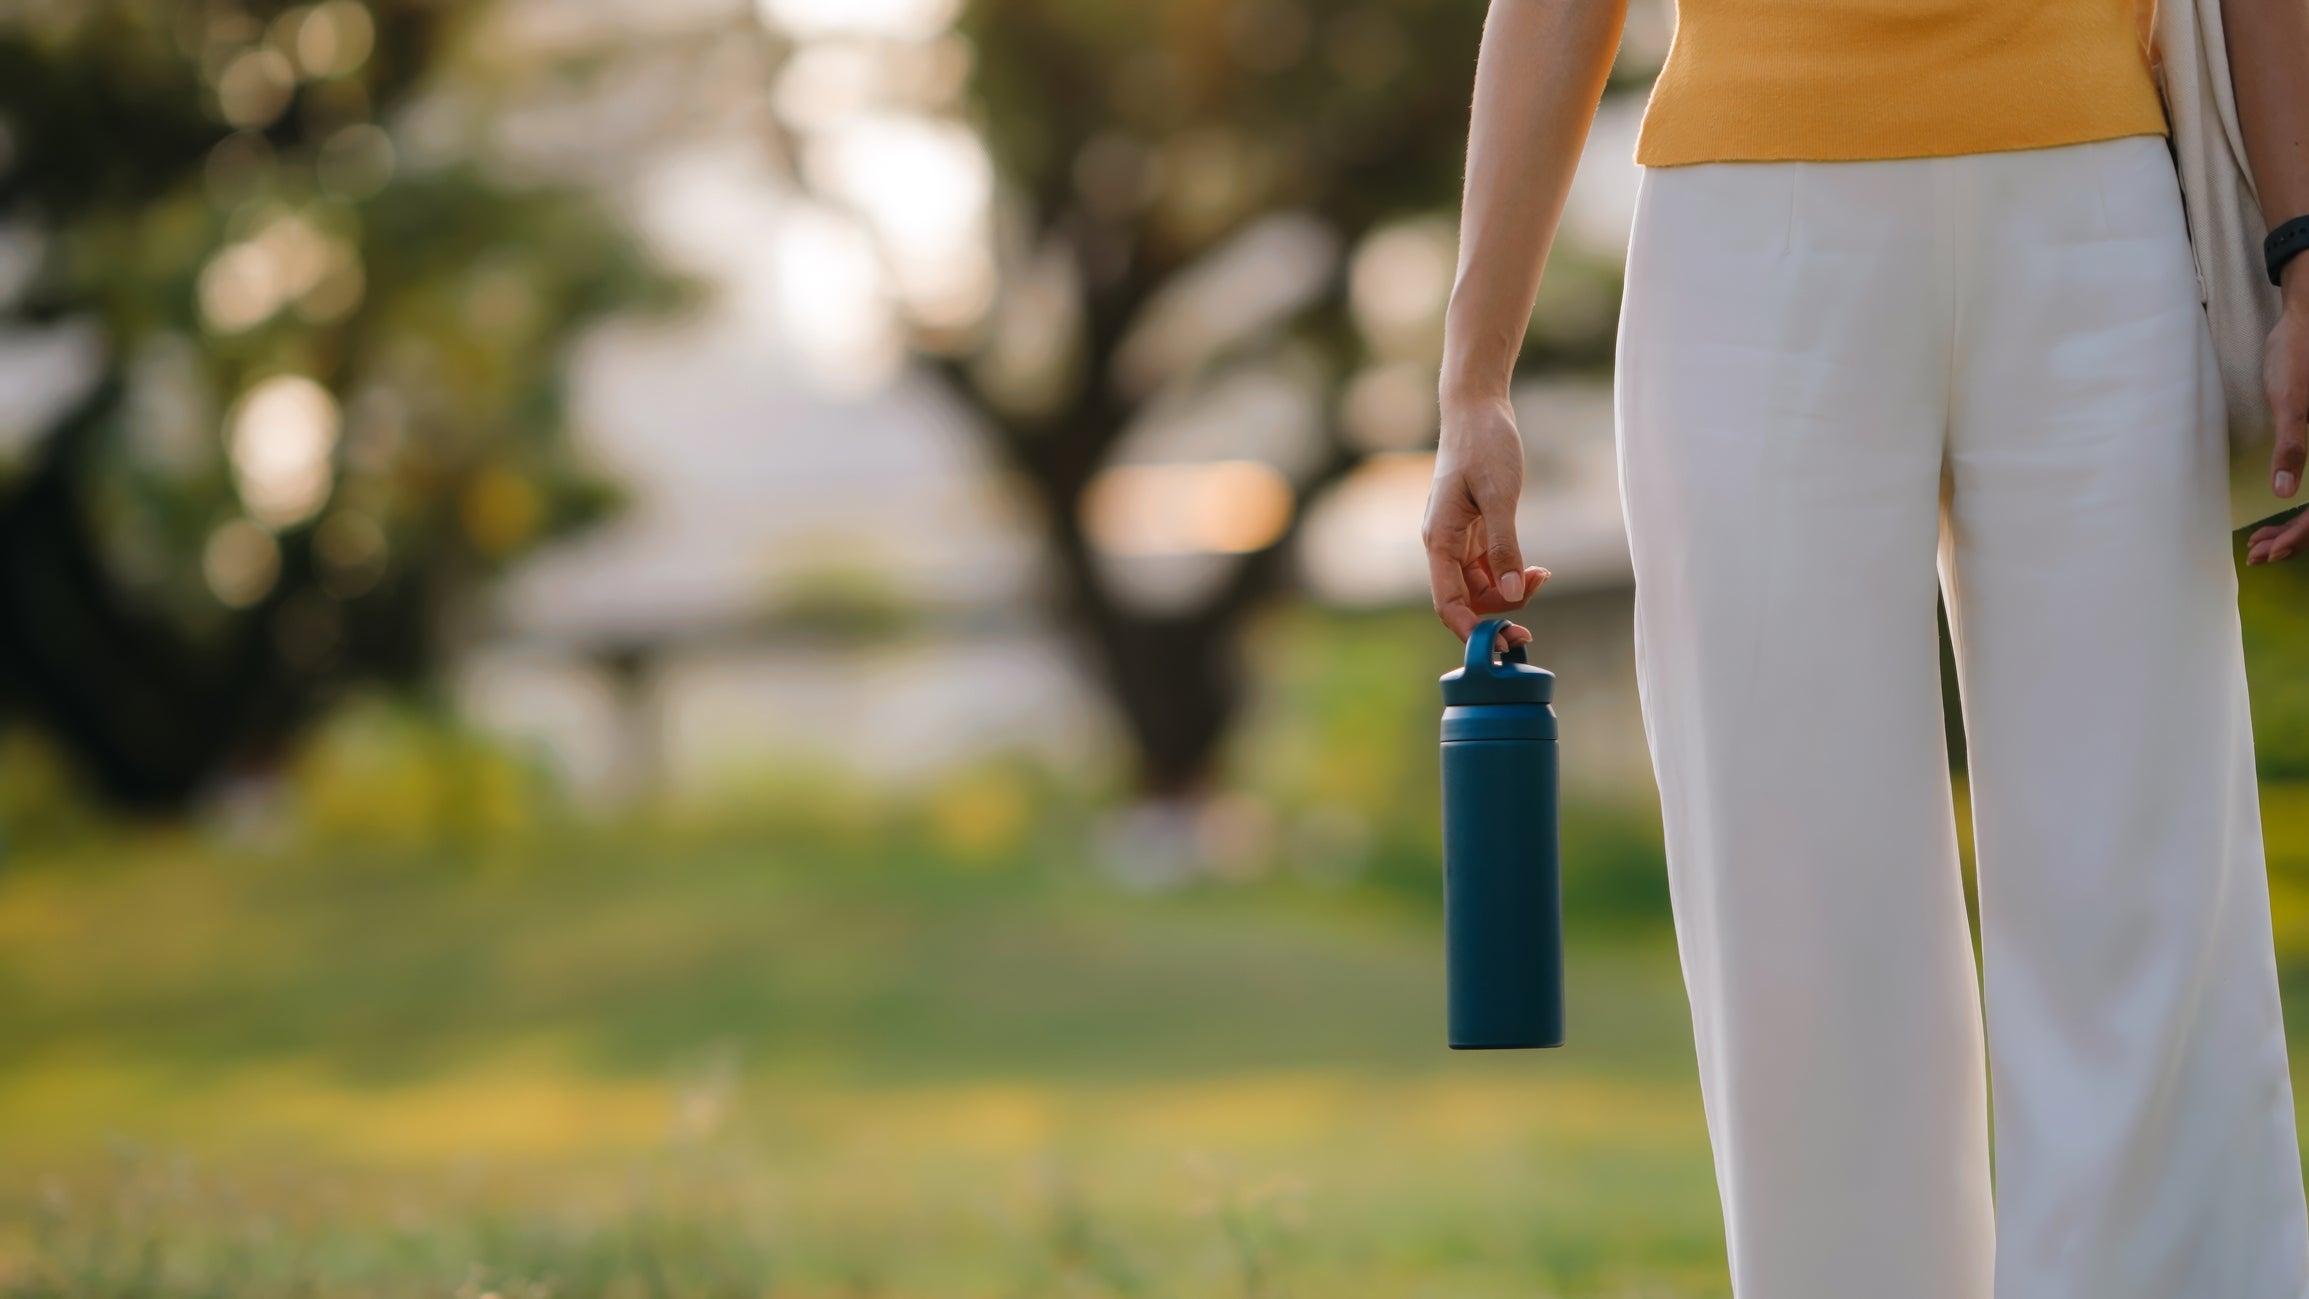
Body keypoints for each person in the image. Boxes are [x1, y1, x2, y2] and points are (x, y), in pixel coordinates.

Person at [1421, 0, 2309, 1292]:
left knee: (2139, 869)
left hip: (2093, 217)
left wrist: (2301, 253)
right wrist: (1472, 382)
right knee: (1793, 899)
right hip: (1747, 234)